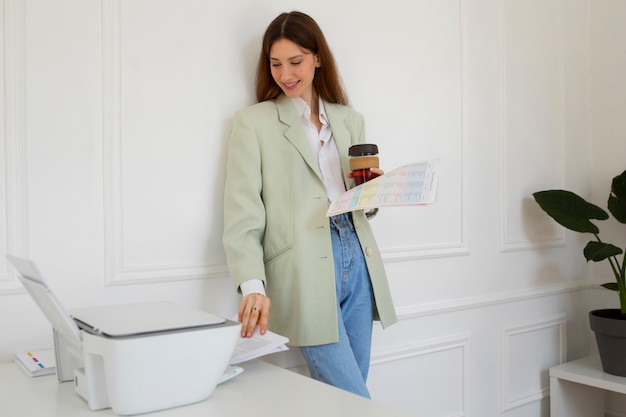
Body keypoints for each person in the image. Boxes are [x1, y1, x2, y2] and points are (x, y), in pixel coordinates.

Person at [223, 11, 397, 398]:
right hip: (301, 266)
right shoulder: (253, 124)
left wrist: (374, 193)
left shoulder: (350, 120)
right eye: (276, 63)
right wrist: (252, 283)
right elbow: (242, 211)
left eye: (296, 61)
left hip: (357, 253)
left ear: (318, 58)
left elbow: (359, 202)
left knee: (348, 399)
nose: (285, 74)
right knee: (354, 398)